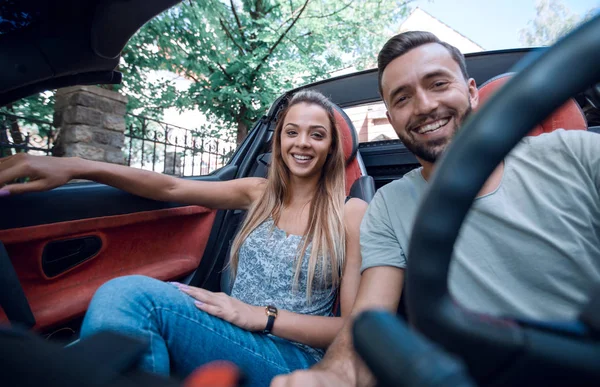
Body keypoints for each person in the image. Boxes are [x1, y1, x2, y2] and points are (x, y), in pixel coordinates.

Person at [271, 31, 600, 387]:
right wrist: (331, 376)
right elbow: (369, 318)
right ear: (392, 117)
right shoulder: (387, 205)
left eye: (439, 84)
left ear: (472, 91)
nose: (425, 106)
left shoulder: (575, 153)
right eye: (403, 98)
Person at [0, 90, 368, 386]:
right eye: (292, 131)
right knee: (107, 316)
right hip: (229, 329)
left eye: (316, 134)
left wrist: (262, 317)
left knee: (130, 297)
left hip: (291, 356)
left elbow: (351, 329)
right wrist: (75, 166)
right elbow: (172, 186)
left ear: (332, 147)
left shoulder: (350, 213)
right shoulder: (258, 192)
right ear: (280, 140)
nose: (302, 143)